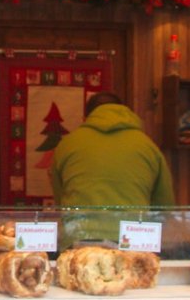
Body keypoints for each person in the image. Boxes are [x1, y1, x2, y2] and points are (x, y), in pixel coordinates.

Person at [51, 91, 175, 245]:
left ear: (86, 119)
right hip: (133, 240)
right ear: (125, 112)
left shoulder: (67, 145)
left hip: (80, 237)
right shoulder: (148, 146)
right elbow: (165, 206)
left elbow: (61, 200)